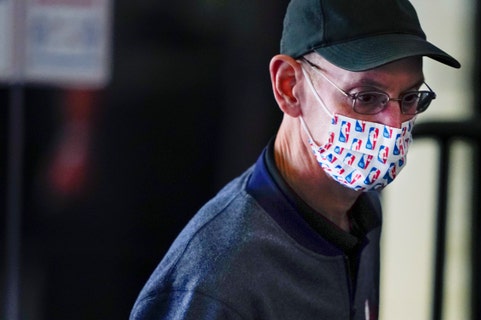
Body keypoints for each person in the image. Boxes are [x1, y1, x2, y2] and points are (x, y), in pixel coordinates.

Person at [130, 0, 459, 319]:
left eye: (410, 97)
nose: (393, 123)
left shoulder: (361, 208)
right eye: (366, 97)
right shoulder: (217, 281)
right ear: (289, 86)